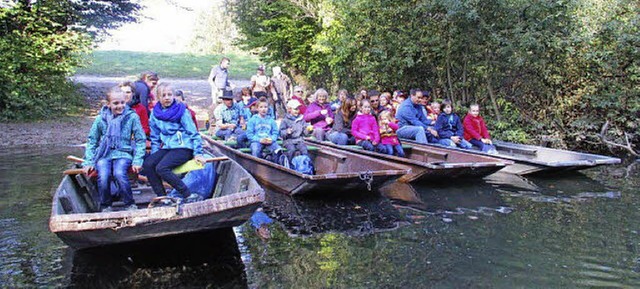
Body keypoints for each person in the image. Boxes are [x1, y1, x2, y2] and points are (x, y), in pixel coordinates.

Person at [82, 86, 146, 212]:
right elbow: (92, 141)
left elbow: (140, 140)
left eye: (122, 102)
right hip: (105, 154)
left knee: (119, 173)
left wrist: (138, 160)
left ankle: (129, 203)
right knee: (104, 174)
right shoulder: (100, 119)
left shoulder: (131, 117)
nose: (120, 106)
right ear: (108, 104)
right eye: (115, 103)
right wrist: (89, 161)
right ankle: (106, 205)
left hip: (123, 153)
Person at [143, 83, 207, 204]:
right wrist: (155, 156)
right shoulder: (155, 114)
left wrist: (198, 153)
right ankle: (163, 198)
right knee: (148, 164)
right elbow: (155, 138)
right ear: (158, 98)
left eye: (169, 95)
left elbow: (193, 133)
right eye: (163, 95)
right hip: (168, 147)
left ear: (173, 96)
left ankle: (187, 194)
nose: (167, 98)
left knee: (162, 168)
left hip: (183, 147)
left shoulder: (181, 111)